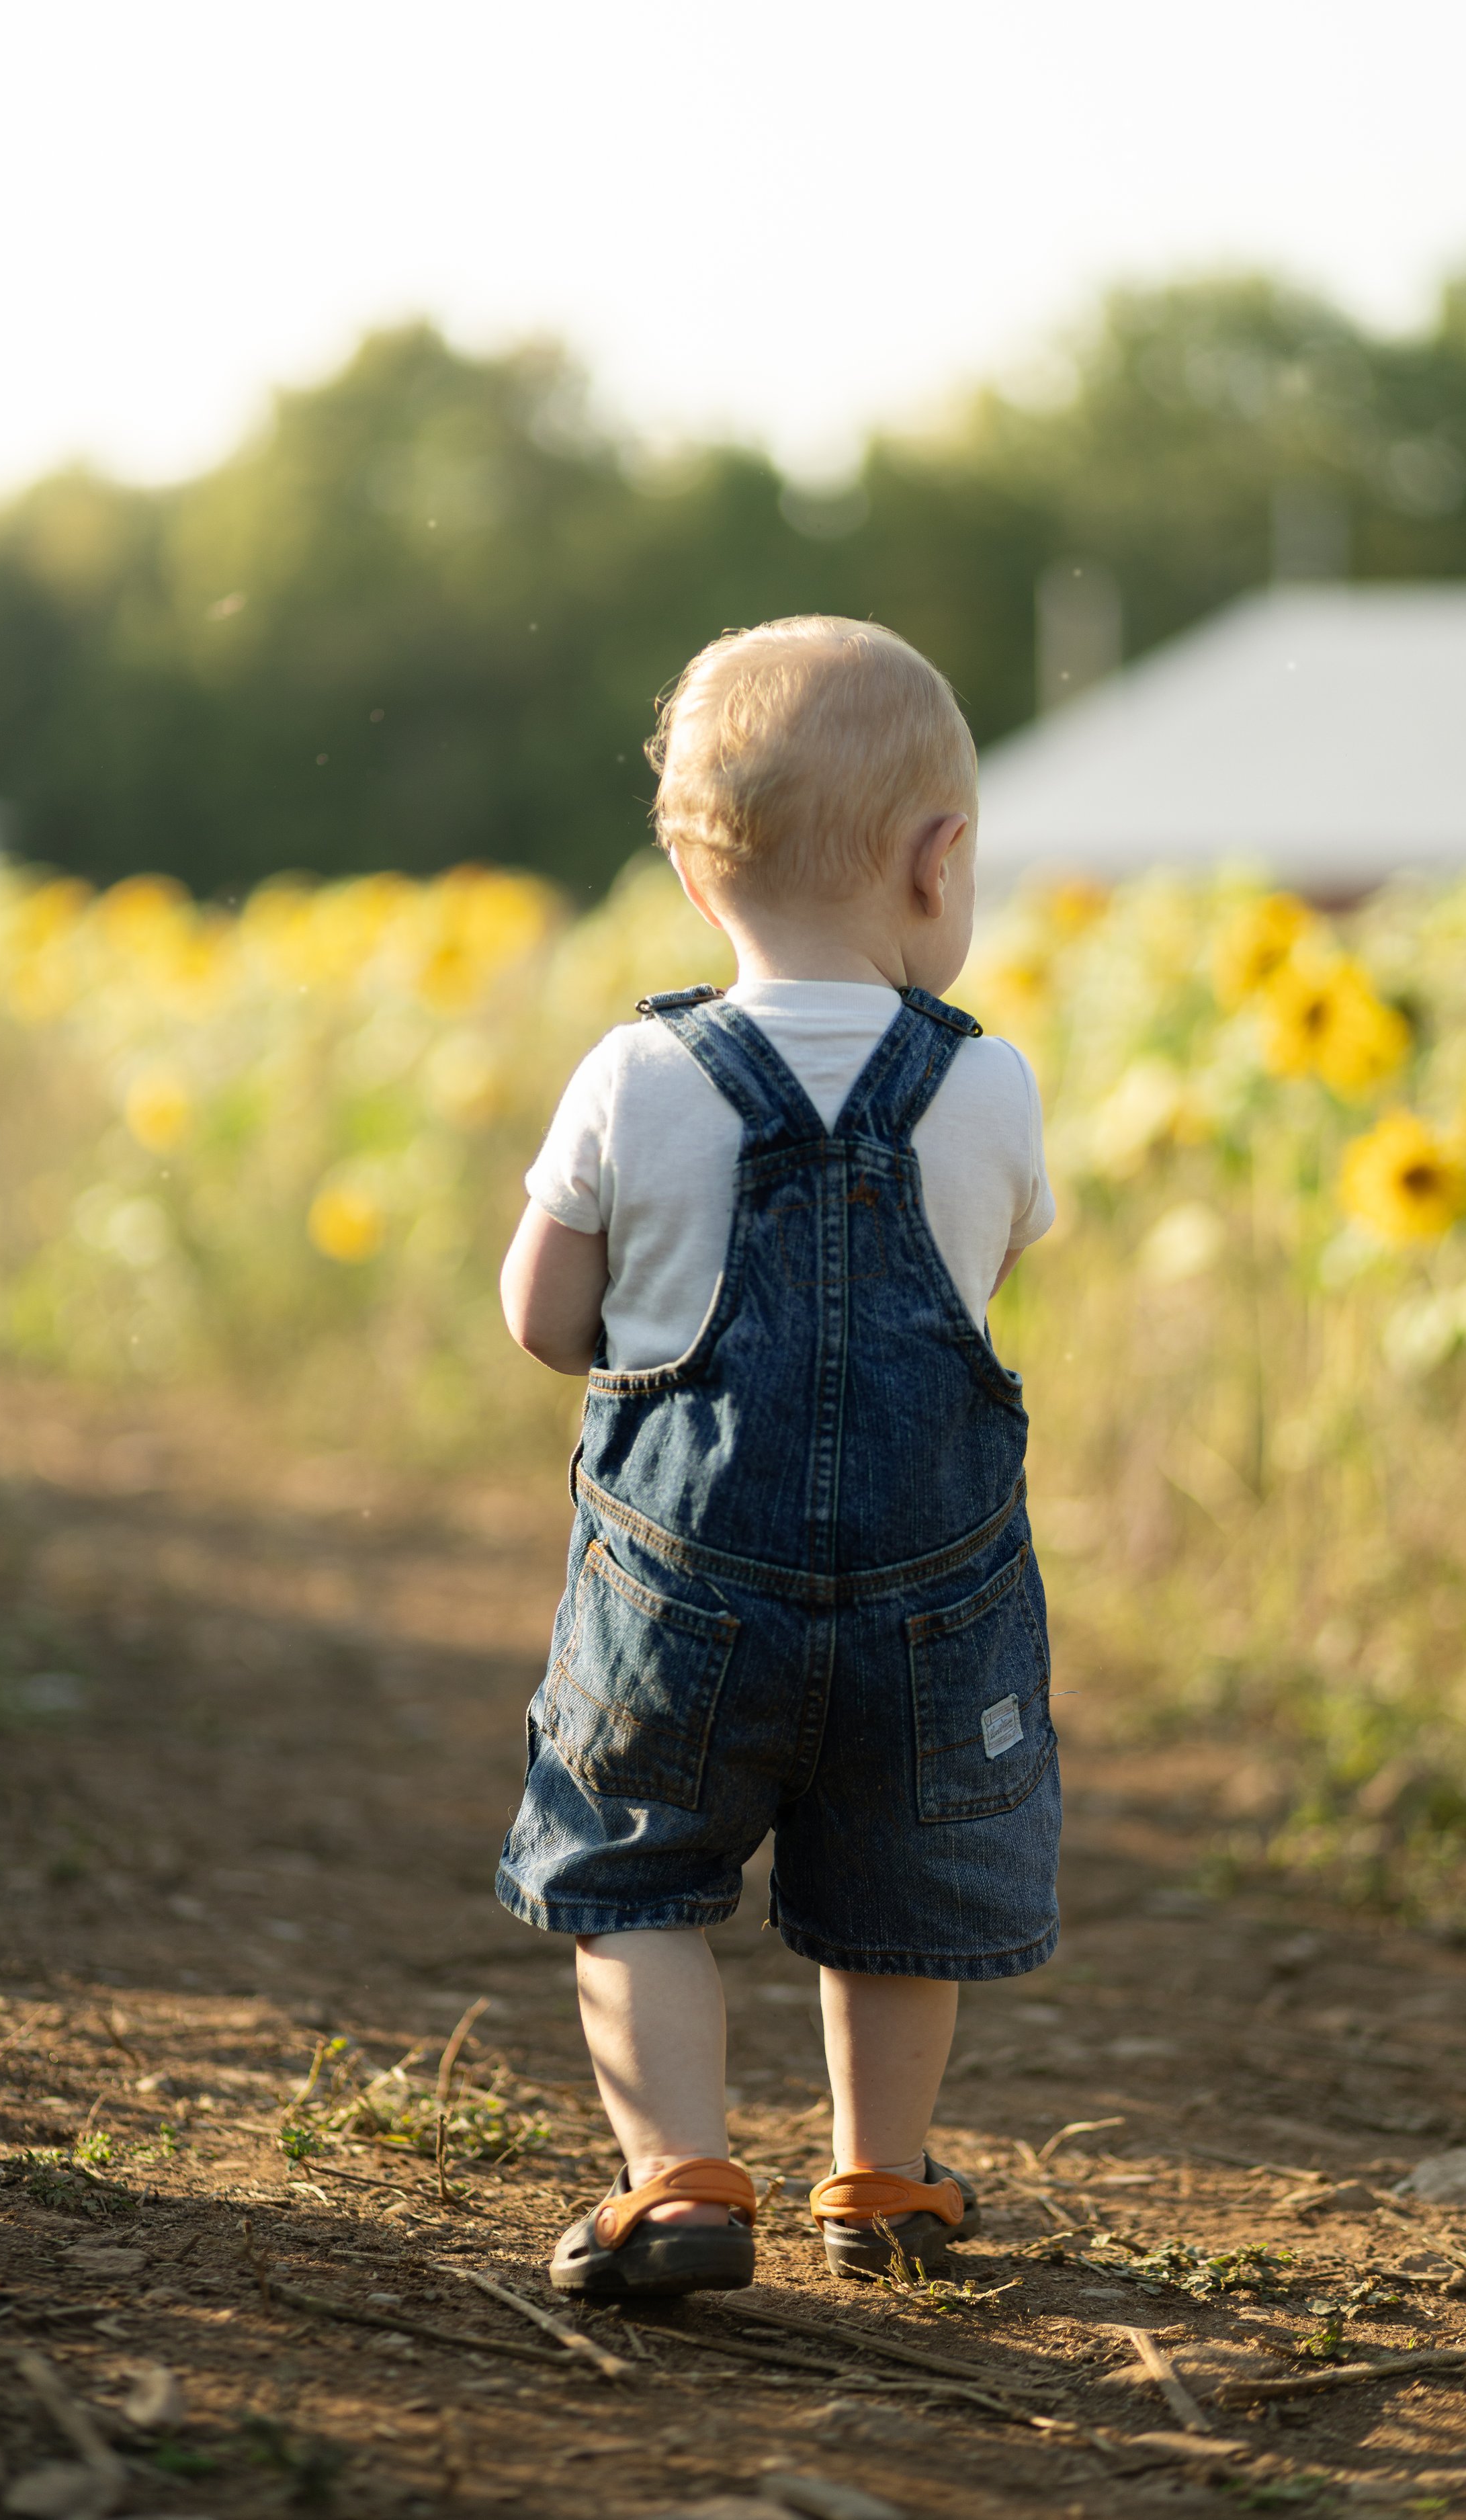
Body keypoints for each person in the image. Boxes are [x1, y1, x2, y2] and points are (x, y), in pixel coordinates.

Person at [496, 616, 1058, 2298]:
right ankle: (881, 2175)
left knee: (639, 1876)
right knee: (894, 1886)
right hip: (927, 1601)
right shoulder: (988, 1086)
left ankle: (675, 2176)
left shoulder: (633, 1072)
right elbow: (982, 1280)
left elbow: (541, 1316)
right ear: (936, 858)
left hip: (683, 1593)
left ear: (690, 872)